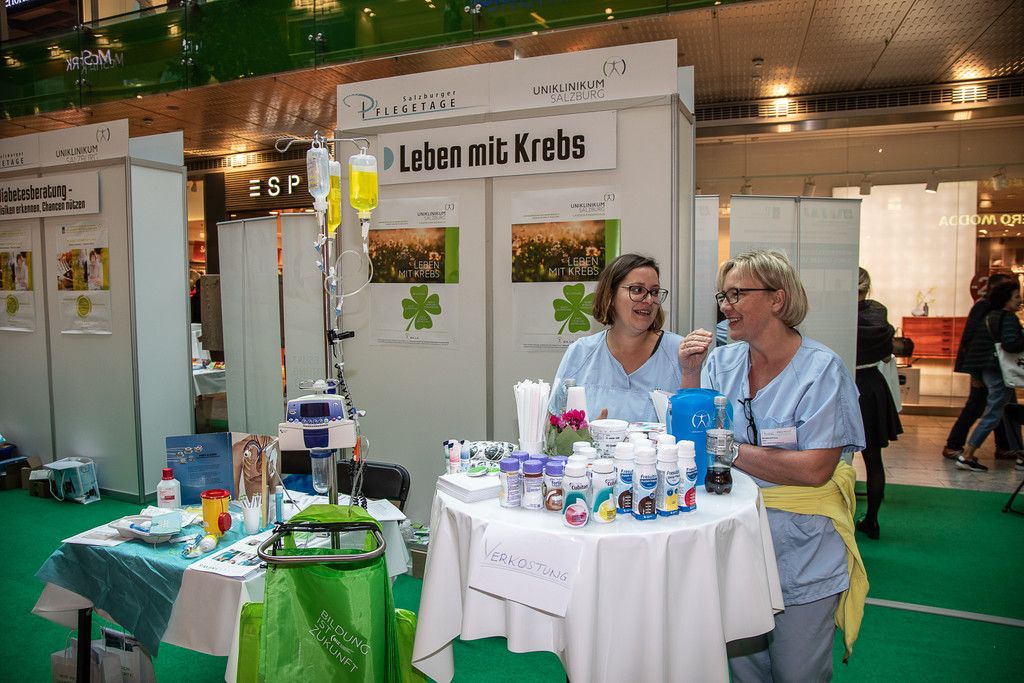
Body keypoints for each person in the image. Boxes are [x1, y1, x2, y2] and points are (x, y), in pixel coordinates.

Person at [679, 250, 866, 681]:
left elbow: (814, 470)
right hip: (734, 542)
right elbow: (692, 439)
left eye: (737, 294)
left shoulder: (822, 370)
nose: (726, 306)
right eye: (723, 296)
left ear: (778, 299)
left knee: (797, 671)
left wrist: (728, 450)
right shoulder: (720, 363)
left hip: (802, 550)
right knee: (745, 670)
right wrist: (690, 375)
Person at [548, 253, 682, 423]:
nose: (649, 300)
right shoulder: (580, 353)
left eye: (654, 292)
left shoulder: (679, 353)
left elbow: (700, 423)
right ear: (610, 296)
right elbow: (553, 427)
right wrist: (586, 434)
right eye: (637, 290)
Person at [944, 273, 1016, 461]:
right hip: (986, 366)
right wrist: (974, 372)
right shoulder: (985, 307)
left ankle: (1005, 445)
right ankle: (954, 445)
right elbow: (971, 338)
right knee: (978, 406)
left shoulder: (995, 309)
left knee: (1001, 406)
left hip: (992, 366)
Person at [854, 268, 902, 540]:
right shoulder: (878, 315)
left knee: (832, 456)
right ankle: (872, 520)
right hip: (871, 386)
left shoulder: (837, 315)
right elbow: (886, 356)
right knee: (873, 459)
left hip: (844, 383)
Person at [956, 280, 1024, 471]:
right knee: (994, 412)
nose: (1020, 300)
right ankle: (967, 454)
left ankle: (1019, 453)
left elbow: (977, 345)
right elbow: (1011, 344)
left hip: (989, 369)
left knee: (1006, 410)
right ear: (1006, 299)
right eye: (1016, 297)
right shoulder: (1008, 318)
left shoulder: (990, 316)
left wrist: (976, 373)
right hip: (999, 371)